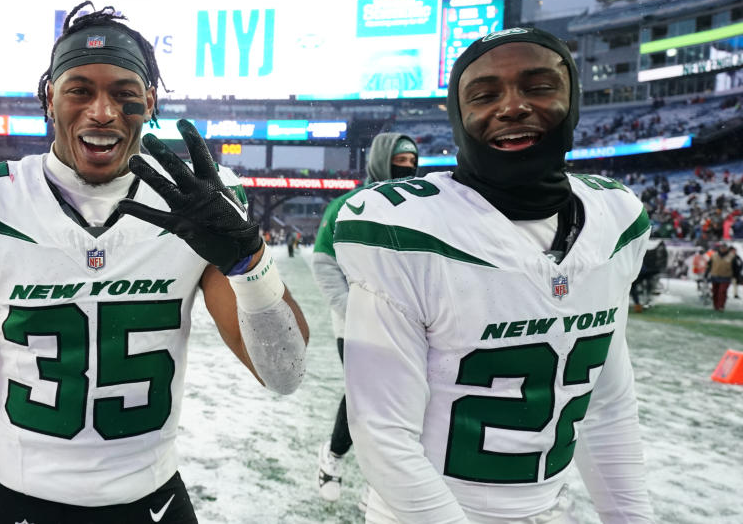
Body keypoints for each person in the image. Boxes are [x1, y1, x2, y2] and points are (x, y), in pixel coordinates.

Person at [0, 2, 309, 524]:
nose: (102, 111)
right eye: (80, 90)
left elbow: (285, 374)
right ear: (49, 98)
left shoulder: (198, 202)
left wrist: (249, 260)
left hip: (154, 499)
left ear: (150, 102)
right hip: (27, 501)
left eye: (124, 94)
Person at [334, 27, 654, 522]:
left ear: (573, 99)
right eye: (484, 95)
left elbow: (606, 406)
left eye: (538, 86)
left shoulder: (616, 218)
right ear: (459, 116)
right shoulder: (405, 229)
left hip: (548, 506)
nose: (511, 107)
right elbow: (383, 434)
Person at [311, 132, 418, 502]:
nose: (406, 171)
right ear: (380, 161)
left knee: (406, 403)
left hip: (410, 324)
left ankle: (380, 481)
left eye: (411, 164)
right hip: (356, 324)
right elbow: (324, 267)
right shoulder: (346, 206)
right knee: (366, 400)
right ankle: (333, 458)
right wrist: (355, 312)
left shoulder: (420, 209)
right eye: (398, 163)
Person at [706, 243, 735, 311]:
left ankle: (721, 306)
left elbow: (735, 267)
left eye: (724, 247)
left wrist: (736, 276)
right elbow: (709, 265)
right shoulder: (714, 255)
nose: (723, 249)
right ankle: (715, 306)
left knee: (722, 292)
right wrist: (706, 273)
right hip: (715, 276)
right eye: (722, 247)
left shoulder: (732, 256)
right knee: (715, 292)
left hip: (726, 277)